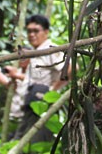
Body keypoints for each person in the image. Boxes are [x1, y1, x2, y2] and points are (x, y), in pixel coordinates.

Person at [7, 14, 70, 144]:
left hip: (43, 105)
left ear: (46, 32)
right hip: (31, 104)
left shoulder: (49, 49)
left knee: (34, 143)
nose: (31, 34)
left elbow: (69, 69)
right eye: (29, 31)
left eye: (36, 31)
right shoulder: (36, 52)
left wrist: (52, 90)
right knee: (22, 143)